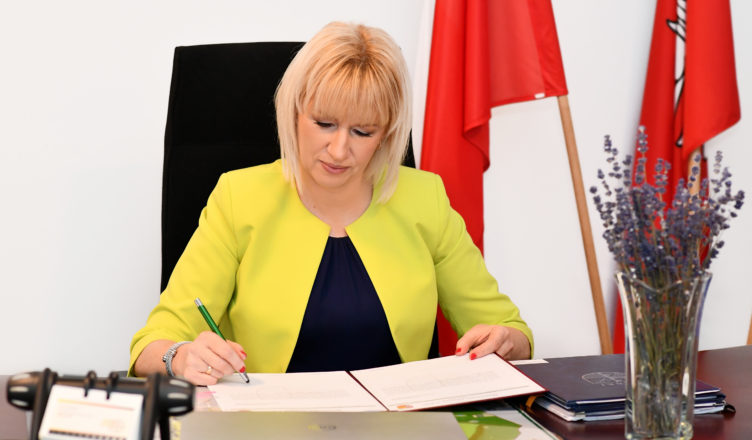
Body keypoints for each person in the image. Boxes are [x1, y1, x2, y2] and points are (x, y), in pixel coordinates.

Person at [130, 21, 532, 386]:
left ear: (387, 134)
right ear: (294, 112)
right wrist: (179, 356)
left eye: (363, 131)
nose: (339, 150)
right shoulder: (240, 198)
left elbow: (511, 331)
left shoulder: (424, 199)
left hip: (397, 424)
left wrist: (505, 339)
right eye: (324, 124)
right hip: (268, 425)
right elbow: (151, 345)